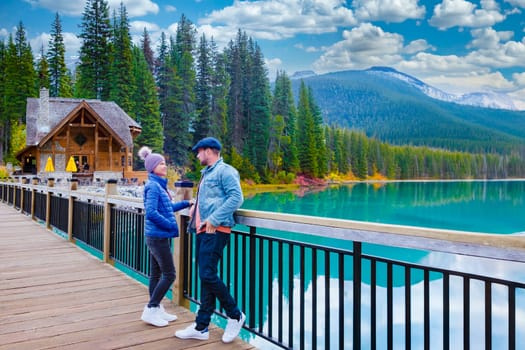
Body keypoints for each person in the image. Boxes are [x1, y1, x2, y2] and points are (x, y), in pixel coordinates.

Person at [174, 137, 245, 343]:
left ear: (209, 151)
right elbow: (214, 200)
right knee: (206, 276)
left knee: (207, 274)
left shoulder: (226, 171)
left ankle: (235, 314)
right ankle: (201, 326)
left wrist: (214, 218)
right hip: (202, 230)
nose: (197, 156)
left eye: (199, 151)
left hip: (216, 229)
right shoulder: (207, 173)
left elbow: (236, 197)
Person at [138, 146, 192, 327]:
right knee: (169, 274)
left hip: (155, 236)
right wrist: (170, 225)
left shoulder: (159, 186)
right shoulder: (153, 187)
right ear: (152, 167)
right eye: (160, 163)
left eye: (164, 163)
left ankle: (156, 308)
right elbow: (151, 212)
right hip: (157, 236)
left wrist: (186, 203)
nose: (164, 166)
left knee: (156, 274)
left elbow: (168, 208)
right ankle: (151, 308)